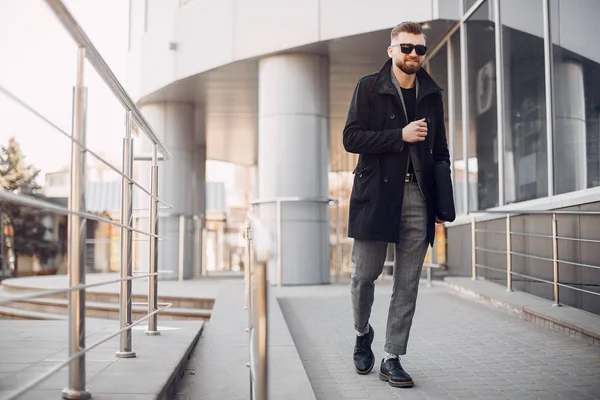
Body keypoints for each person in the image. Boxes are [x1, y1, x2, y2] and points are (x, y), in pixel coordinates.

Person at [342, 21, 452, 388]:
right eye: (406, 48)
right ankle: (362, 333)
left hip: (418, 196)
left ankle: (392, 356)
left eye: (420, 49)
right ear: (391, 50)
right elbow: (351, 138)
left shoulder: (432, 95)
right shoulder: (368, 88)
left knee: (407, 283)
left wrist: (443, 202)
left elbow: (440, 152)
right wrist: (398, 137)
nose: (413, 55)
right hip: (376, 196)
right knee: (363, 276)